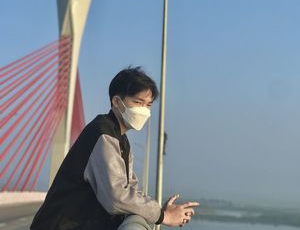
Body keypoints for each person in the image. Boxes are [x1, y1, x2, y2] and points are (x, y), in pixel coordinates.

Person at [30, 66, 199, 230]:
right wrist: (163, 216)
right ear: (117, 101)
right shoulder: (103, 134)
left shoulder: (120, 139)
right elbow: (117, 196)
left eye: (148, 105)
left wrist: (159, 210)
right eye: (138, 102)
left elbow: (131, 189)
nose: (144, 111)